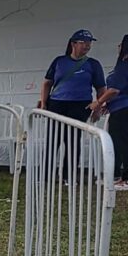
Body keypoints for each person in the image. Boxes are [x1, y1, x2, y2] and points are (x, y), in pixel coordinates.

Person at [40, 29, 106, 182]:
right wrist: (44, 103)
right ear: (73, 44)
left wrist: (97, 107)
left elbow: (101, 89)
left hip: (80, 105)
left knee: (73, 140)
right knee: (53, 139)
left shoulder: (93, 64)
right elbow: (47, 83)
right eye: (83, 42)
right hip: (57, 103)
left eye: (89, 43)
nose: (87, 46)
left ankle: (68, 175)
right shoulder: (59, 61)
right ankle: (46, 175)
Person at [91, 35, 128, 191]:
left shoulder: (124, 65)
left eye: (120, 44)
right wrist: (110, 104)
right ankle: (120, 176)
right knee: (119, 142)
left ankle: (126, 179)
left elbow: (114, 90)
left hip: (123, 110)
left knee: (122, 143)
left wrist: (98, 102)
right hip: (118, 107)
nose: (118, 46)